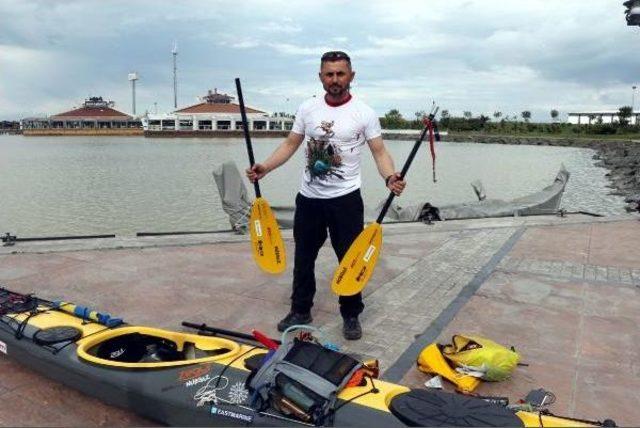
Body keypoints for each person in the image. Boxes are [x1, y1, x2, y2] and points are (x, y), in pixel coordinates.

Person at [246, 51, 406, 340]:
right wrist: (265, 167)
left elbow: (379, 151)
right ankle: (300, 309)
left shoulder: (364, 113)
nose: (335, 80)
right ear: (321, 77)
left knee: (350, 258)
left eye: (340, 74)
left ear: (351, 76)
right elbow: (291, 144)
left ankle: (351, 314)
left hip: (345, 200)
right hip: (309, 199)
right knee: (304, 257)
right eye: (329, 74)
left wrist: (389, 177)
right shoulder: (307, 109)